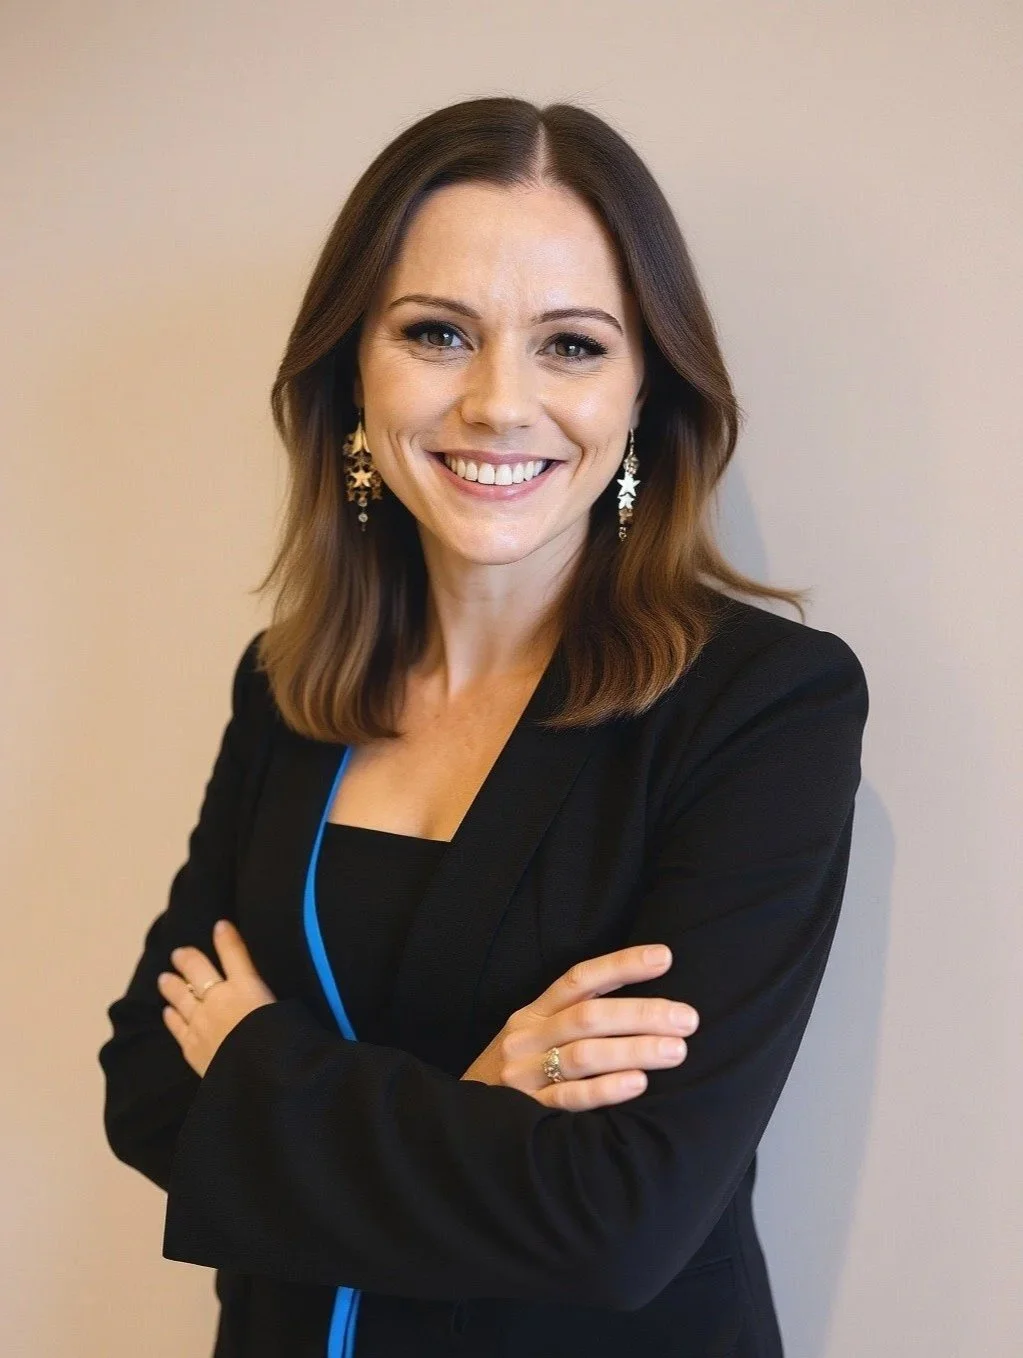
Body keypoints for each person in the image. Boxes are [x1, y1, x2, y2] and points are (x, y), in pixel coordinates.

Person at [98, 96, 869, 1358]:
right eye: (439, 332)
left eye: (570, 344)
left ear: (642, 393)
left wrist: (260, 1066)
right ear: (355, 367)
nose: (501, 403)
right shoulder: (289, 684)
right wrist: (481, 1093)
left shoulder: (765, 705)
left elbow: (622, 1213)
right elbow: (145, 1085)